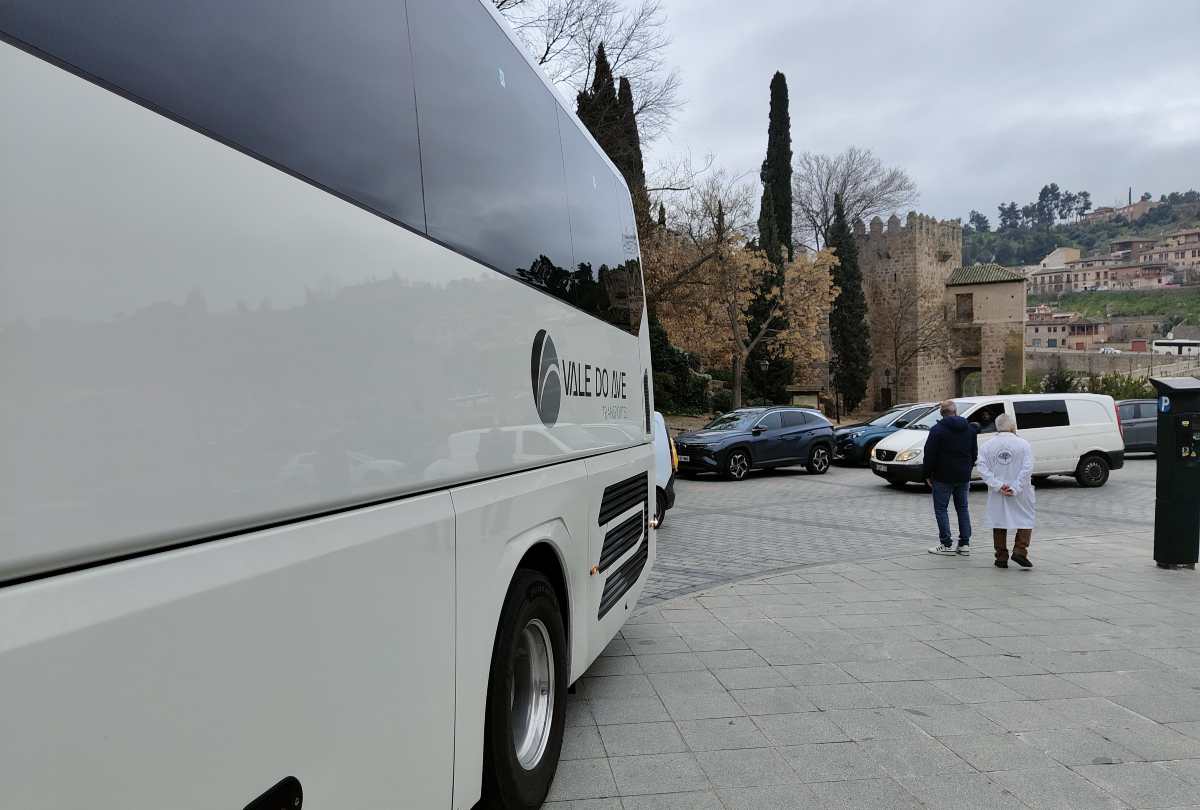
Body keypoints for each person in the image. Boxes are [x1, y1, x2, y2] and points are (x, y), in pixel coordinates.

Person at [976, 413, 1035, 568]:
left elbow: (982, 467)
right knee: (1025, 518)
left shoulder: (987, 445)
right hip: (1021, 490)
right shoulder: (1023, 444)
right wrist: (1015, 486)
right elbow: (1027, 468)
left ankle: (1001, 556)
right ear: (1011, 426)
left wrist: (998, 485)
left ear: (997, 426)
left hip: (998, 491)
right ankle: (1020, 550)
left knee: (999, 520)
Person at [923, 400, 978, 555]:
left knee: (941, 509)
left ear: (942, 413)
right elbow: (974, 453)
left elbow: (930, 455)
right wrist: (968, 468)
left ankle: (946, 544)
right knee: (962, 508)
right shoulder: (970, 429)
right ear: (956, 411)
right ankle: (965, 544)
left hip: (942, 476)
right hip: (963, 475)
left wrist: (927, 474)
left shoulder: (937, 430)